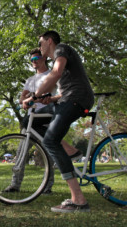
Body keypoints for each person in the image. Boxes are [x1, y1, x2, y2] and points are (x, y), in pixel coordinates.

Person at [22, 30, 94, 213]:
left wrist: (33, 96)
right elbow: (63, 91)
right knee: (32, 119)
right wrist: (47, 99)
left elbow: (55, 74)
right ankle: (71, 152)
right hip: (67, 99)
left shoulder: (61, 50)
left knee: (49, 141)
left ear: (49, 40)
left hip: (76, 100)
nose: (39, 48)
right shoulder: (58, 59)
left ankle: (78, 199)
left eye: (41, 43)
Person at [4, 49, 83, 195]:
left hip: (47, 117)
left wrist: (48, 99)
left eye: (37, 58)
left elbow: (62, 95)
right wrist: (28, 99)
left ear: (44, 58)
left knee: (49, 154)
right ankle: (15, 184)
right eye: (32, 59)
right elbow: (22, 99)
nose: (34, 61)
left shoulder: (52, 75)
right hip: (31, 121)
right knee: (21, 153)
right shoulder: (30, 80)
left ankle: (47, 187)